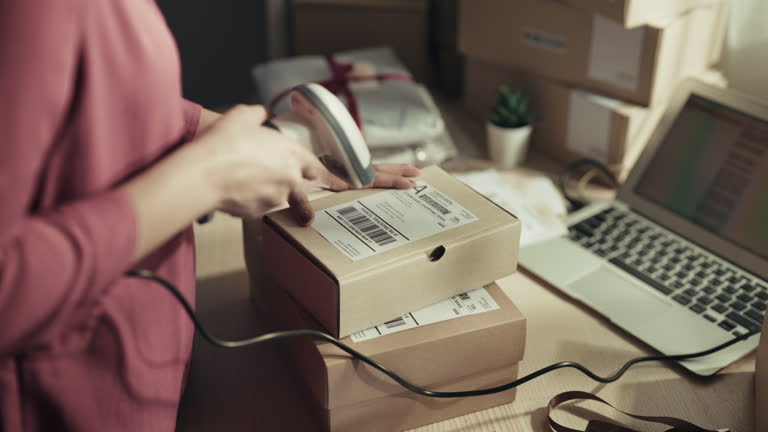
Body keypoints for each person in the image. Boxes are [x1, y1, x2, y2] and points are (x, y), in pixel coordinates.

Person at [0, 1, 420, 431]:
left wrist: (267, 141)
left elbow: (111, 88)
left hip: (153, 367)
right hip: (73, 401)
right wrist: (208, 178)